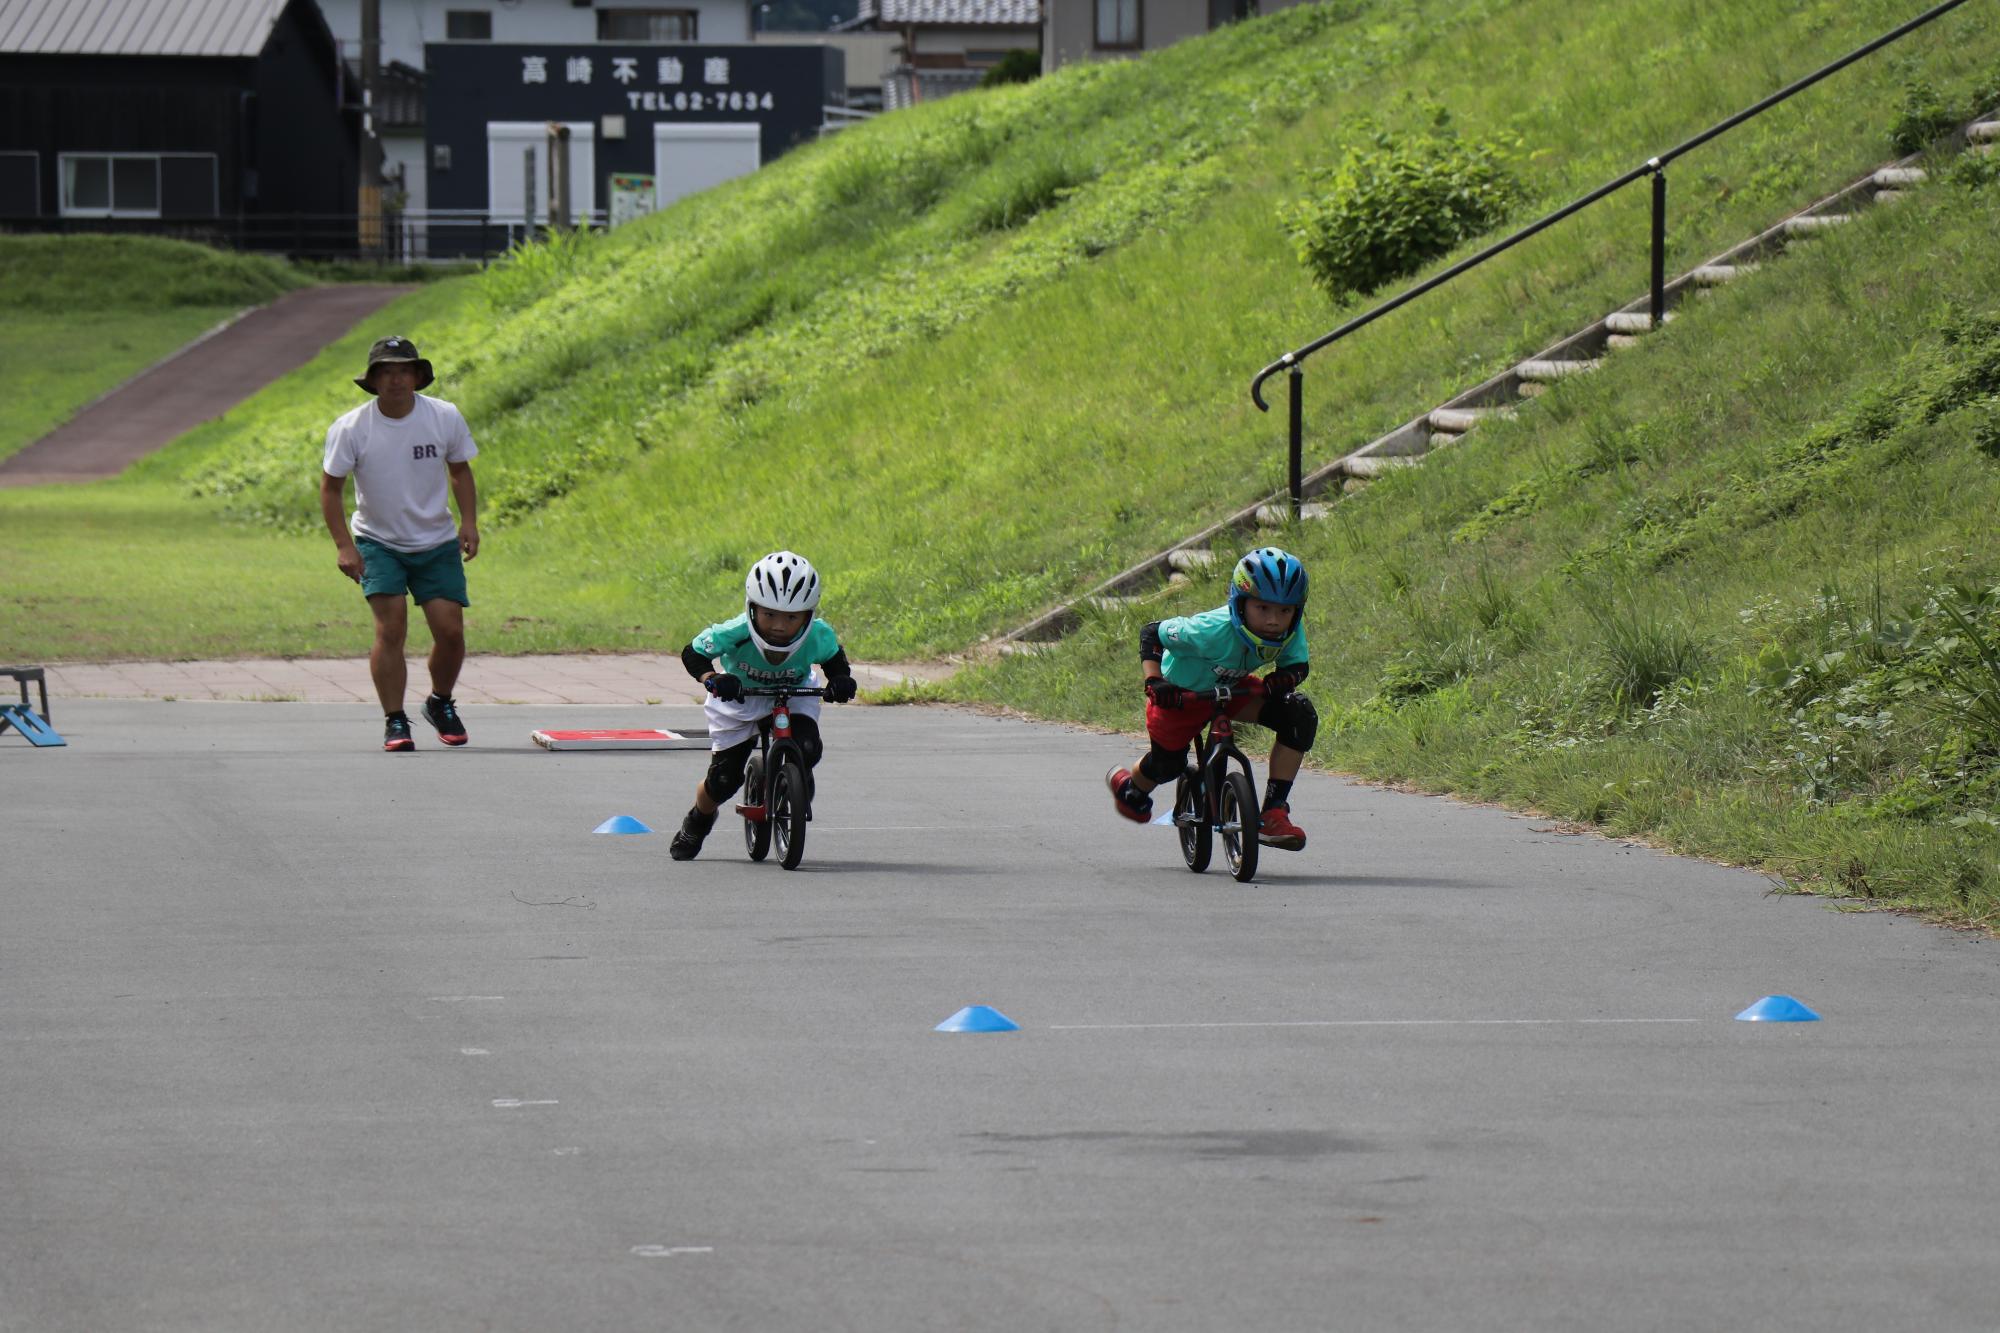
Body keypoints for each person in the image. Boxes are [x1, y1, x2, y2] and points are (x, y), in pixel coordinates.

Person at [318, 336, 480, 752]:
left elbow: (459, 471)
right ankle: (394, 720)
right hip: (378, 541)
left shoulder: (443, 417)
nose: (396, 379)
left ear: (417, 376)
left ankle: (440, 702)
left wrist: (469, 522)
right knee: (391, 629)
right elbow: (330, 489)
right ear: (373, 380)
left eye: (403, 370)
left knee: (450, 632)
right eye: (386, 371)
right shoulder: (352, 427)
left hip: (437, 540)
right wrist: (343, 546)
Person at [1105, 546, 1317, 850]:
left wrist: (1284, 680)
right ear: (1240, 604)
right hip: (1179, 697)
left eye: (1285, 610)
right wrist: (1154, 681)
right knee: (1168, 766)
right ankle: (1131, 789)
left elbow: (1297, 665)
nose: (1274, 621)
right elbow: (1151, 633)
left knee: (1298, 715)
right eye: (1263, 608)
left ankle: (1273, 812)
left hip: (1233, 691)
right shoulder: (1209, 629)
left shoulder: (1290, 630)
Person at [669, 551, 859, 860]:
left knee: (808, 748)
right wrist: (713, 676)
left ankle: (792, 785)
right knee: (724, 780)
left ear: (807, 615)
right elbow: (693, 652)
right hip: (740, 697)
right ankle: (698, 820)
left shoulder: (818, 635)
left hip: (793, 692)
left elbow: (835, 660)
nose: (780, 626)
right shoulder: (737, 631)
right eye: (769, 614)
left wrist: (841, 680)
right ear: (752, 607)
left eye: (791, 617)